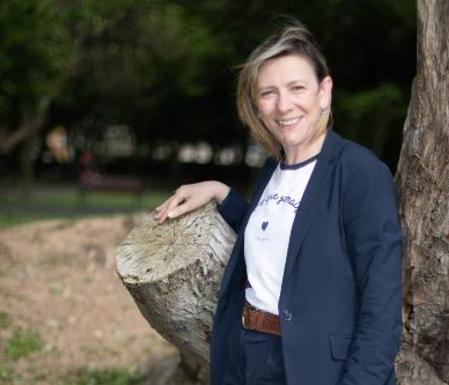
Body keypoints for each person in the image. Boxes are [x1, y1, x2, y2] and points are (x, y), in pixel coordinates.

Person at [154, 21, 402, 385]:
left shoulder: (359, 172)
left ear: (324, 91)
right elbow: (283, 242)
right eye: (268, 92)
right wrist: (221, 192)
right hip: (248, 355)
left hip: (317, 367)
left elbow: (382, 305)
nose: (283, 105)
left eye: (297, 87)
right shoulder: (272, 167)